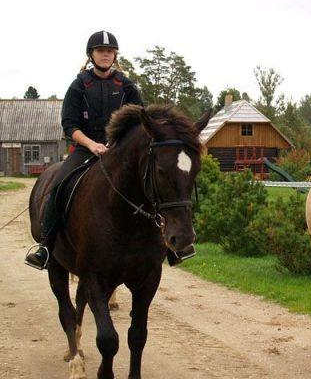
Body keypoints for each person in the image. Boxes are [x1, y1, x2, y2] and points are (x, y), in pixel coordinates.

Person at [25, 31, 192, 269]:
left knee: (153, 186)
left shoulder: (126, 86)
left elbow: (140, 122)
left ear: (115, 55)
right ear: (91, 55)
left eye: (110, 51)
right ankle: (46, 247)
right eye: (101, 51)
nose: (106, 55)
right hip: (85, 149)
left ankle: (170, 246)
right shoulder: (79, 86)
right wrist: (92, 144)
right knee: (60, 186)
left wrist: (119, 146)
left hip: (120, 151)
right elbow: (69, 125)